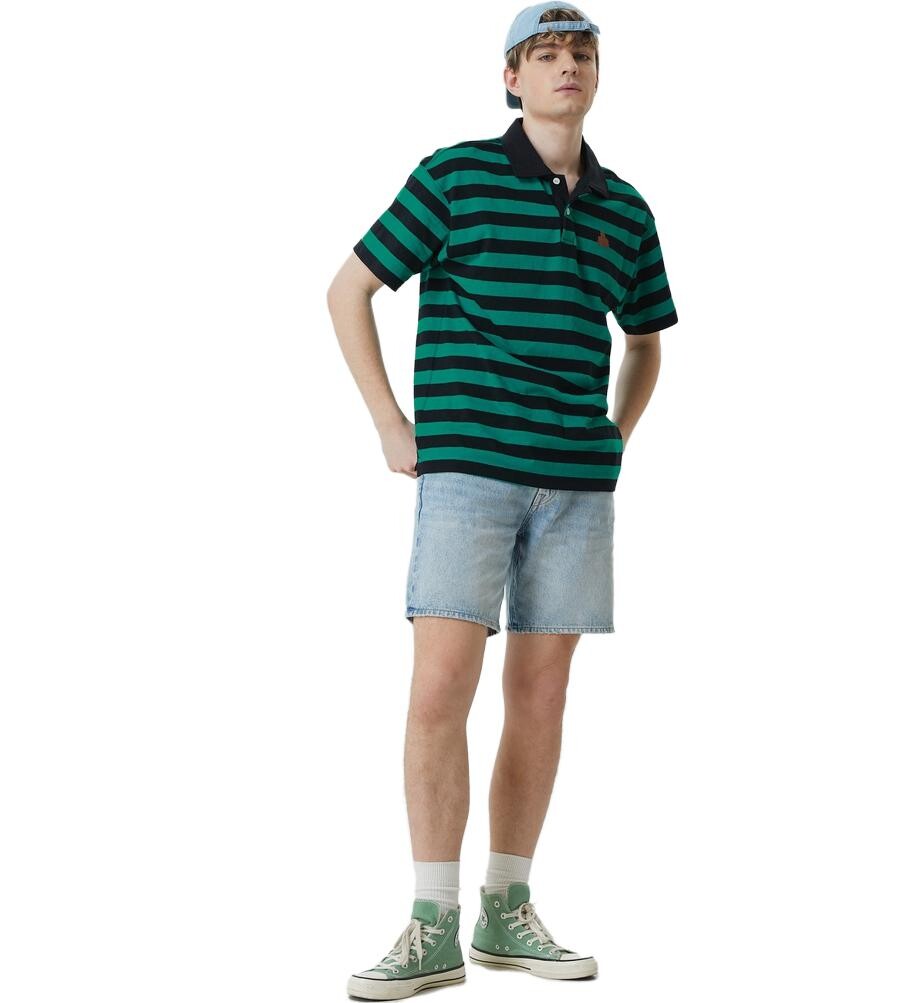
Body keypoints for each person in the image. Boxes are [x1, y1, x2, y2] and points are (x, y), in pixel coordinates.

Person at [327, 5, 677, 998]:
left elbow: (646, 340)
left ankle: (505, 909)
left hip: (576, 487)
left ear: (596, 75)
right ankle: (430, 921)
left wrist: (614, 436)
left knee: (541, 695)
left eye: (582, 54)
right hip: (468, 476)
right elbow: (348, 290)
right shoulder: (455, 176)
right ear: (511, 79)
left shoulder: (625, 208)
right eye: (546, 54)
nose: (568, 67)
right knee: (440, 689)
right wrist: (391, 424)